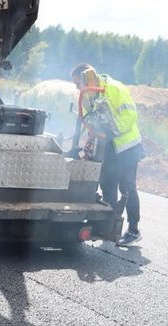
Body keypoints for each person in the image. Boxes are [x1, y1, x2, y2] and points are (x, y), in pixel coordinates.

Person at [70, 63, 145, 247]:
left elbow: (130, 115)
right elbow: (89, 117)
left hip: (127, 147)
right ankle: (108, 226)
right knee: (107, 183)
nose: (77, 88)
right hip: (110, 147)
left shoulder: (115, 88)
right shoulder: (90, 93)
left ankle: (134, 230)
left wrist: (112, 132)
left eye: (77, 83)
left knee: (127, 187)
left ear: (87, 77)